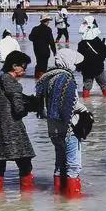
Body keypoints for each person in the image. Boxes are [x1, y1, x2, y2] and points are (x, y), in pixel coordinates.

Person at [35, 48, 87, 196]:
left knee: (60, 164)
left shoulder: (47, 77)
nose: (76, 66)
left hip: (53, 128)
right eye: (75, 63)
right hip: (68, 128)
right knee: (73, 166)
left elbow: (44, 104)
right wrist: (85, 110)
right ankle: (73, 200)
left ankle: (58, 197)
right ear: (68, 61)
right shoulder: (66, 79)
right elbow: (70, 104)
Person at [0, 50, 37, 193]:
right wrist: (32, 106)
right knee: (25, 165)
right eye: (23, 66)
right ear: (15, 66)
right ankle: (27, 200)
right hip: (13, 131)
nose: (25, 70)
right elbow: (19, 110)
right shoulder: (13, 84)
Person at [77, 20, 106, 98]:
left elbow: (79, 57)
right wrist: (103, 47)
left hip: (86, 68)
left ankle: (85, 102)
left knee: (87, 86)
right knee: (104, 85)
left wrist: (79, 67)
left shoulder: (81, 43)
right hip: (98, 67)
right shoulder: (97, 41)